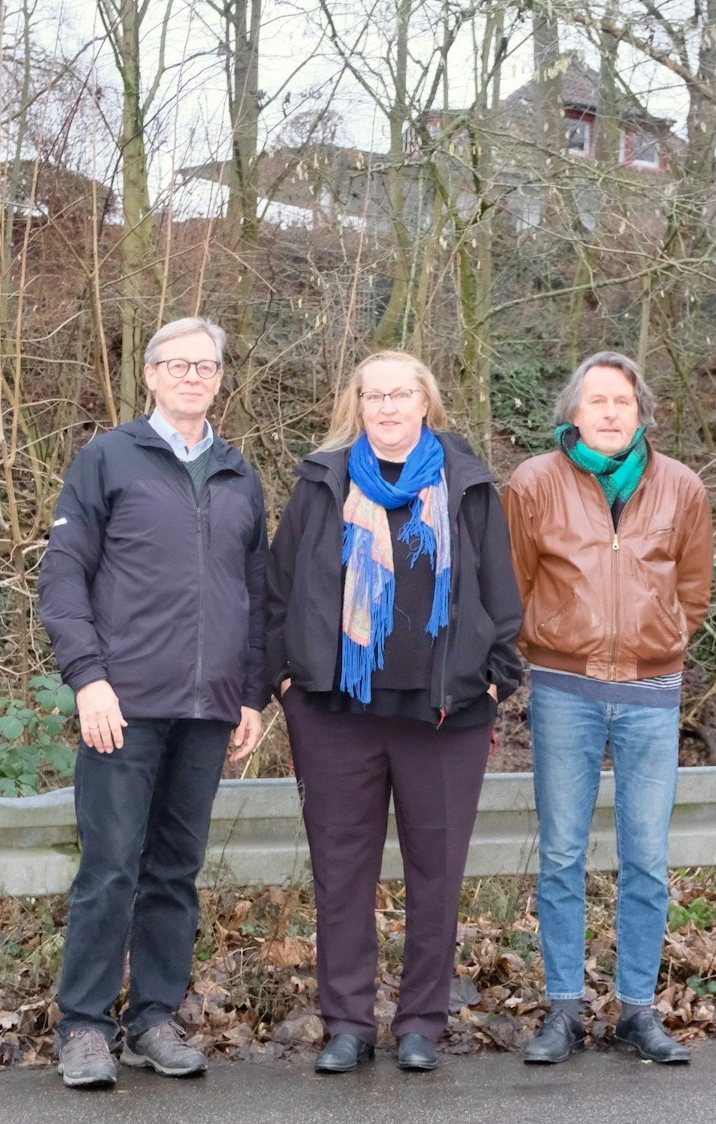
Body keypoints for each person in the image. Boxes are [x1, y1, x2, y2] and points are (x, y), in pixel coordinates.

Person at [265, 350, 524, 1074]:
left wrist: (497, 679)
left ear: (425, 404)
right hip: (335, 711)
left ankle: (421, 1023)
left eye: (400, 395)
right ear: (358, 405)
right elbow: (278, 588)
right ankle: (347, 1022)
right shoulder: (324, 480)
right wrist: (286, 681)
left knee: (435, 874)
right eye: (373, 396)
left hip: (446, 718)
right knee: (340, 874)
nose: (386, 408)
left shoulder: (467, 485)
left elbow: (503, 596)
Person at [37, 316, 269, 1089]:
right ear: (150, 374)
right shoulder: (108, 459)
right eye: (177, 364)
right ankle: (84, 1026)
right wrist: (88, 678)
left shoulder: (241, 475)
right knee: (110, 867)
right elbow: (64, 577)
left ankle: (153, 1019)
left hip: (209, 707)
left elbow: (256, 596)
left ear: (220, 378)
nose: (192, 376)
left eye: (206, 365)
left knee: (175, 870)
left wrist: (252, 695)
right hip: (123, 702)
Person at [502, 350, 713, 1066]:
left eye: (622, 401)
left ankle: (637, 1012)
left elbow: (694, 587)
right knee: (562, 854)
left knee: (646, 859)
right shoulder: (533, 483)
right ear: (574, 411)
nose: (611, 412)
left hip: (653, 695)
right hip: (565, 690)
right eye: (597, 401)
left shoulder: (681, 486)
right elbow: (514, 582)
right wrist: (544, 644)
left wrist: (668, 640)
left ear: (641, 410)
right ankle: (563, 1009)